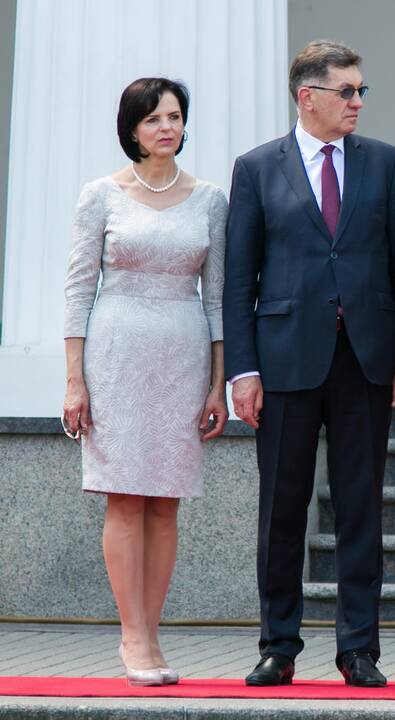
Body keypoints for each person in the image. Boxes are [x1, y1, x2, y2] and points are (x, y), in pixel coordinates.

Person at [223, 40, 395, 688]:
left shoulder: (387, 164)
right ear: (307, 96)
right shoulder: (257, 169)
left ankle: (358, 647)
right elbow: (238, 281)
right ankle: (278, 646)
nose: (359, 102)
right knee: (281, 510)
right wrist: (242, 370)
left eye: (362, 90)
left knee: (361, 508)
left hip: (365, 360)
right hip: (283, 362)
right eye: (348, 91)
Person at [62, 78, 228, 686]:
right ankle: (132, 637)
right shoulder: (100, 195)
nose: (167, 127)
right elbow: (79, 287)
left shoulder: (210, 199)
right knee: (125, 495)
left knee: (165, 502)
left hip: (182, 354)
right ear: (132, 128)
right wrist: (75, 381)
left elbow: (218, 298)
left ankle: (153, 635)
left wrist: (218, 384)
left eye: (176, 116)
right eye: (154, 117)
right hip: (116, 351)